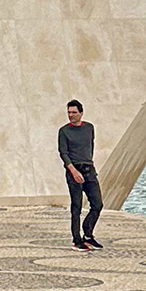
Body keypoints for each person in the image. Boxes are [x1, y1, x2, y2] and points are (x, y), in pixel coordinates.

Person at [59, 100, 102, 249]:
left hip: (89, 169)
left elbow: (90, 145)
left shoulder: (89, 128)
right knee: (76, 206)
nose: (71, 115)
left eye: (74, 112)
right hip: (73, 171)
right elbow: (63, 153)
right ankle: (76, 240)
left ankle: (88, 234)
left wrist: (88, 163)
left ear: (81, 113)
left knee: (97, 204)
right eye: (69, 112)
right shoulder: (64, 131)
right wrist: (73, 171)